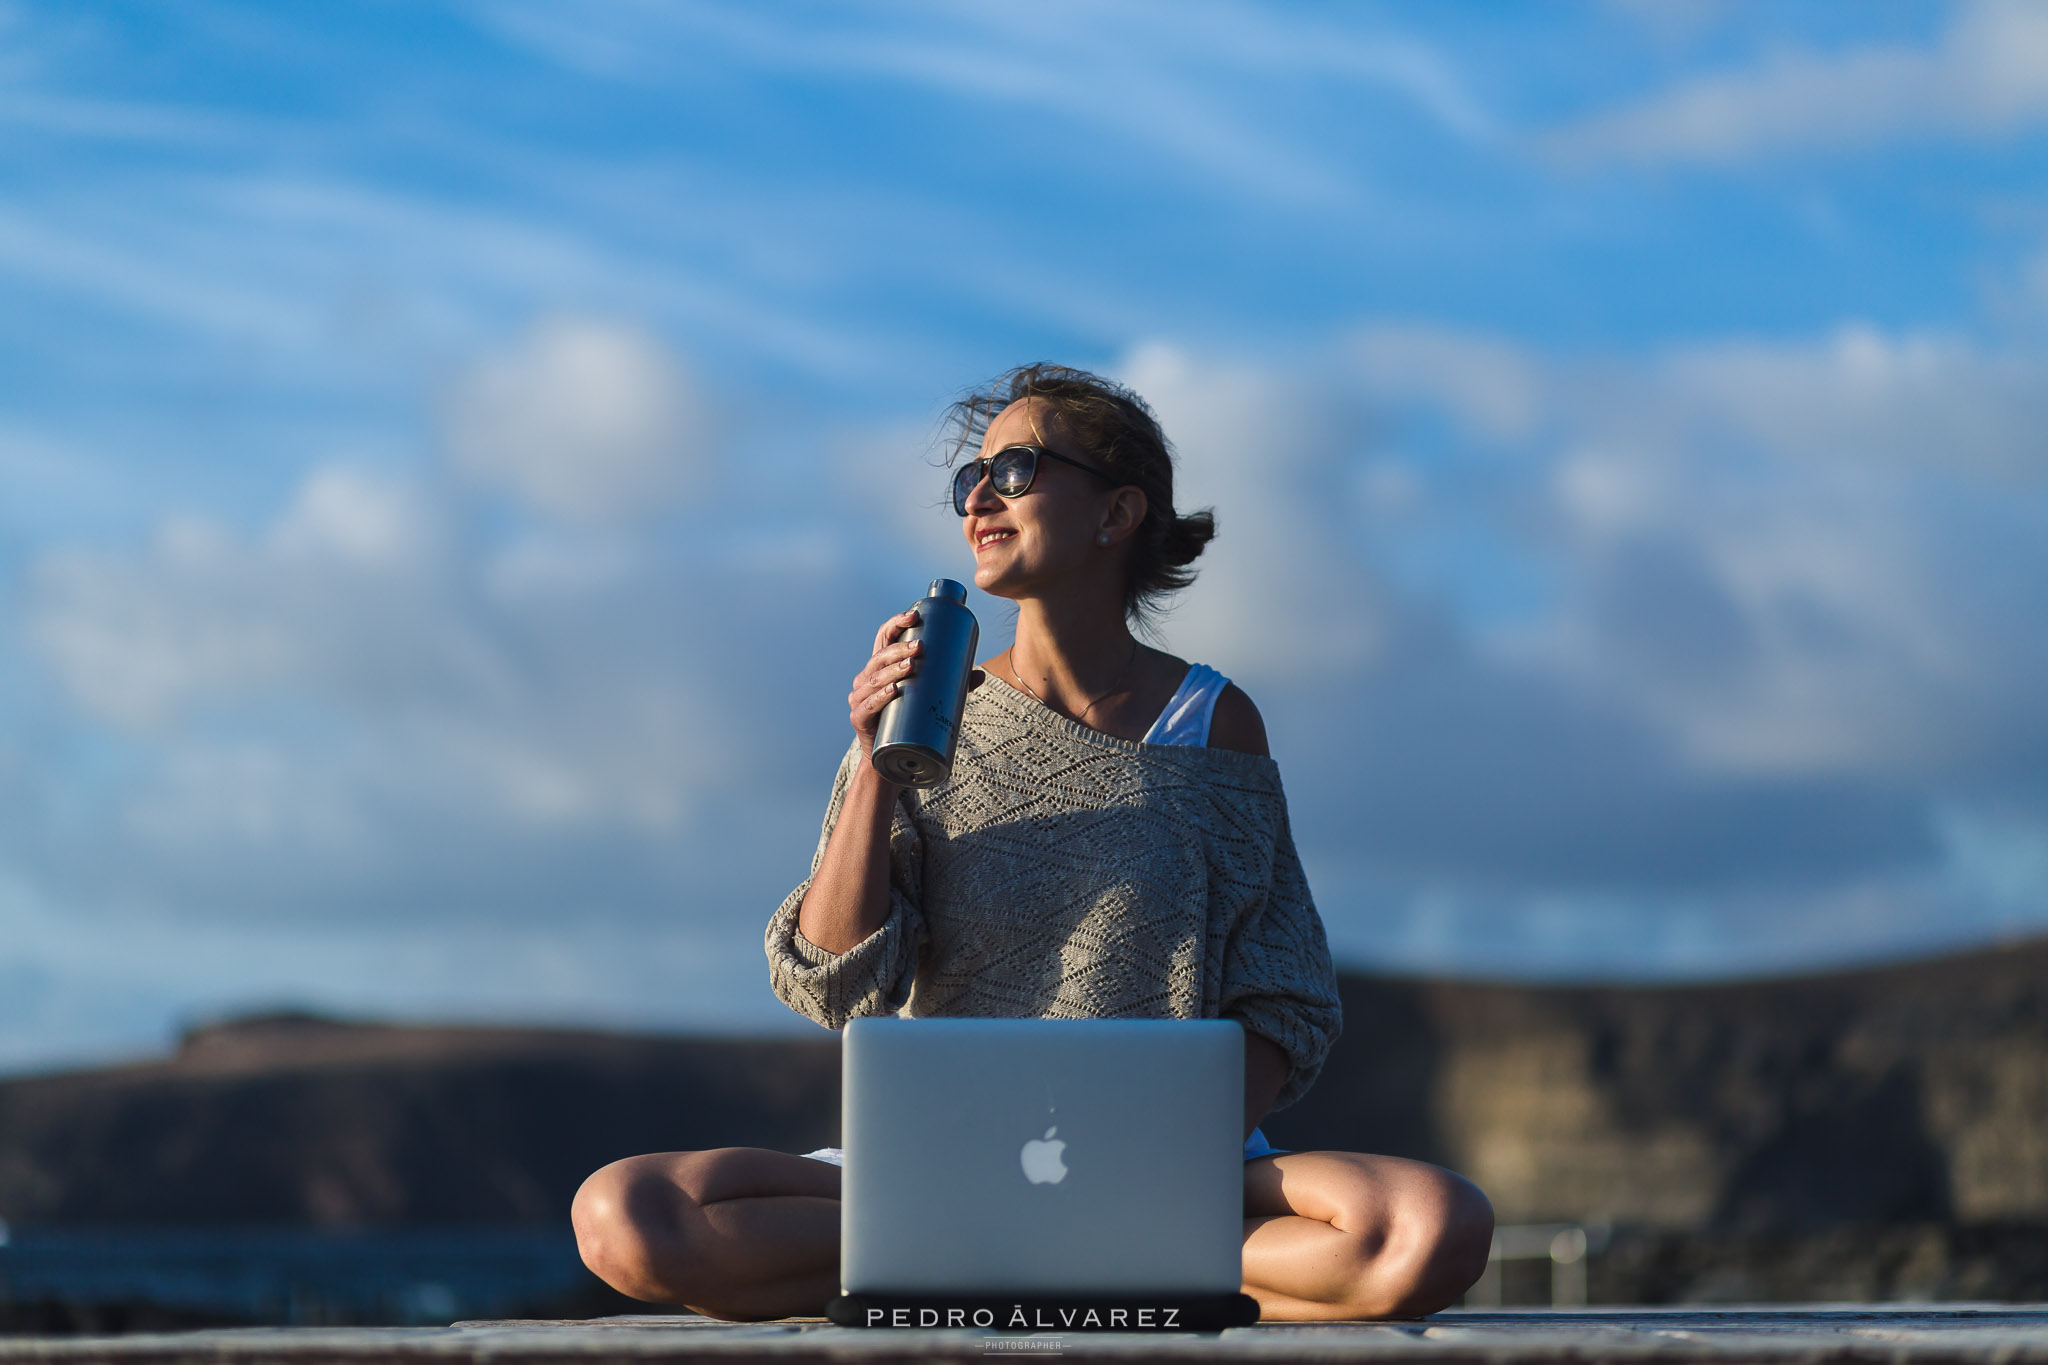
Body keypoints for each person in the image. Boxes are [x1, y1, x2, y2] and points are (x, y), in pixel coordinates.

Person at [572, 364, 1493, 1322]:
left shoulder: (1214, 723)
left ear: (1117, 512)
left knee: (1429, 1227)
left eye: (1014, 469)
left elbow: (1285, 989)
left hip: (1164, 1169)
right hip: (936, 1166)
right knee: (627, 1214)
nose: (977, 497)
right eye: (969, 479)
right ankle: (1084, 1268)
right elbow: (832, 980)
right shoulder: (925, 717)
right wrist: (870, 766)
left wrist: (1165, 1152)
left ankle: (982, 1266)